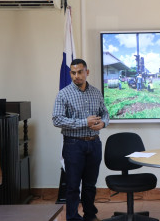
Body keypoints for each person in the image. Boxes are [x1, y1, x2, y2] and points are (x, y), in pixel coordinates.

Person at [52, 58, 109, 221]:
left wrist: (104, 123)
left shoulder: (96, 92)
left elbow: (105, 113)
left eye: (79, 72)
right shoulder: (63, 94)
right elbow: (57, 119)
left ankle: (90, 215)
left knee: (90, 184)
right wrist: (85, 122)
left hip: (94, 143)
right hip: (73, 145)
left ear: (87, 72)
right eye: (73, 72)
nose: (76, 76)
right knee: (73, 186)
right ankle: (73, 217)